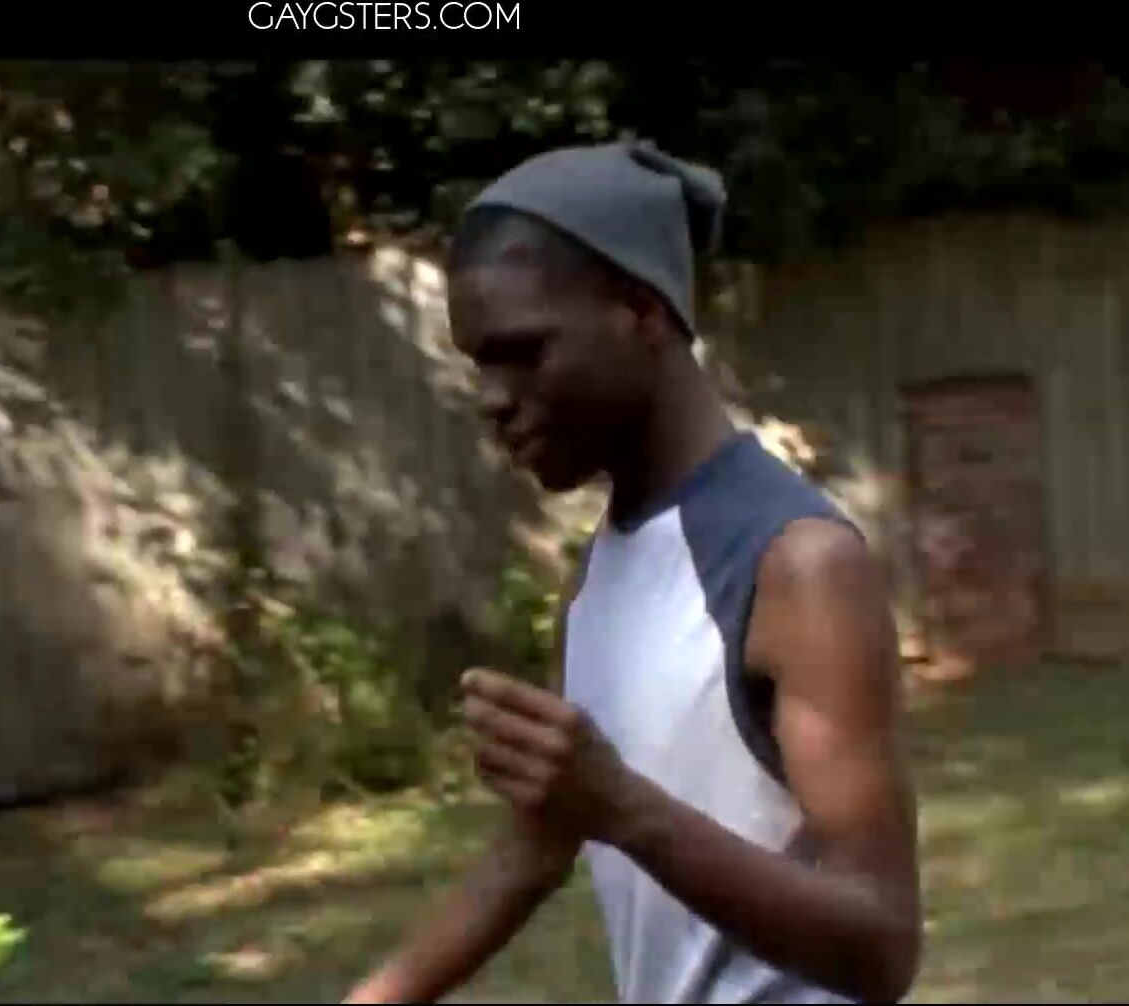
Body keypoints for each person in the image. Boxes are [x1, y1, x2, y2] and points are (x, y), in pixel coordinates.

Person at [342, 142, 923, 1005]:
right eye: (480, 364)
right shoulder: (600, 577)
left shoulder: (798, 563)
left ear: (642, 312)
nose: (493, 398)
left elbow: (881, 948)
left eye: (523, 352)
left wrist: (623, 808)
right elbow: (538, 846)